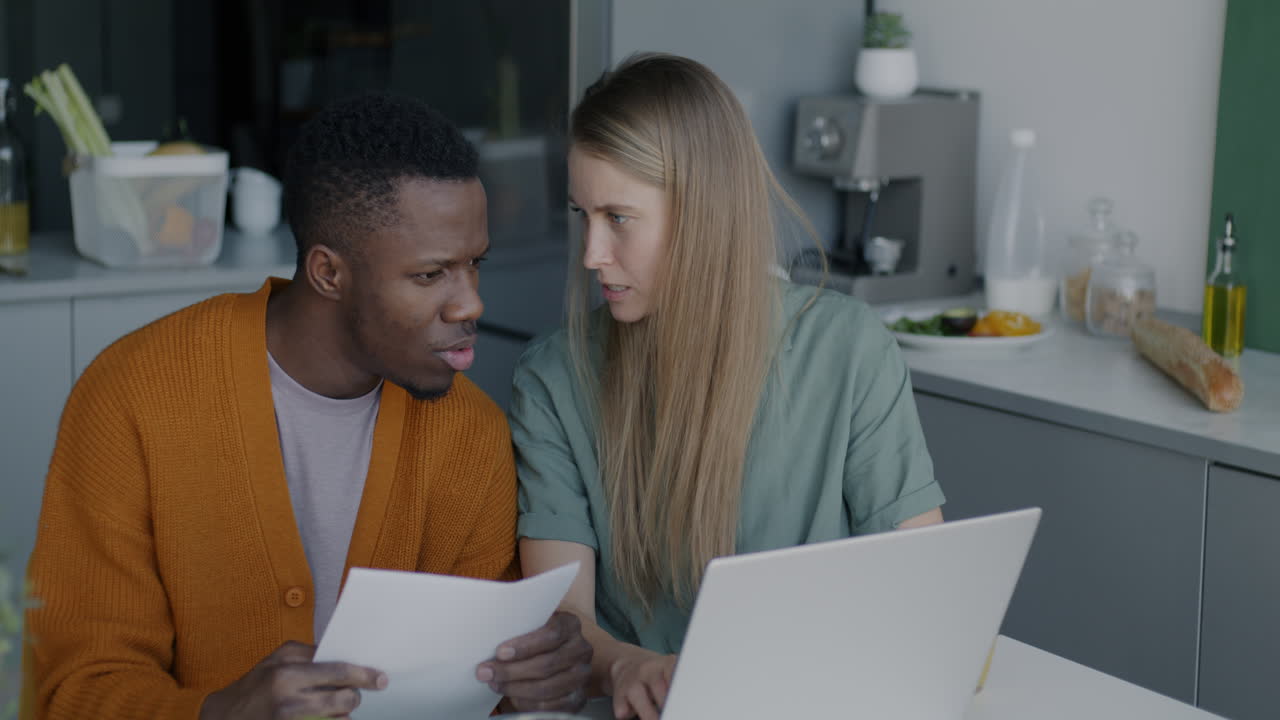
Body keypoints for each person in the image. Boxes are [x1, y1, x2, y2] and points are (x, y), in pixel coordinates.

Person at [21, 92, 591, 720]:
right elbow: (71, 688)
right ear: (327, 273)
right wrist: (219, 713)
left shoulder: (471, 435)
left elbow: (477, 685)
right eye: (431, 275)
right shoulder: (134, 395)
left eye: (474, 265)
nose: (470, 304)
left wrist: (528, 679)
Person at [509, 53, 946, 720]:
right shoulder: (552, 378)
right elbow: (561, 619)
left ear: (703, 214)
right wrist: (627, 665)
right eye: (583, 216)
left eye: (619, 218)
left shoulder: (850, 349)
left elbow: (925, 591)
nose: (593, 253)